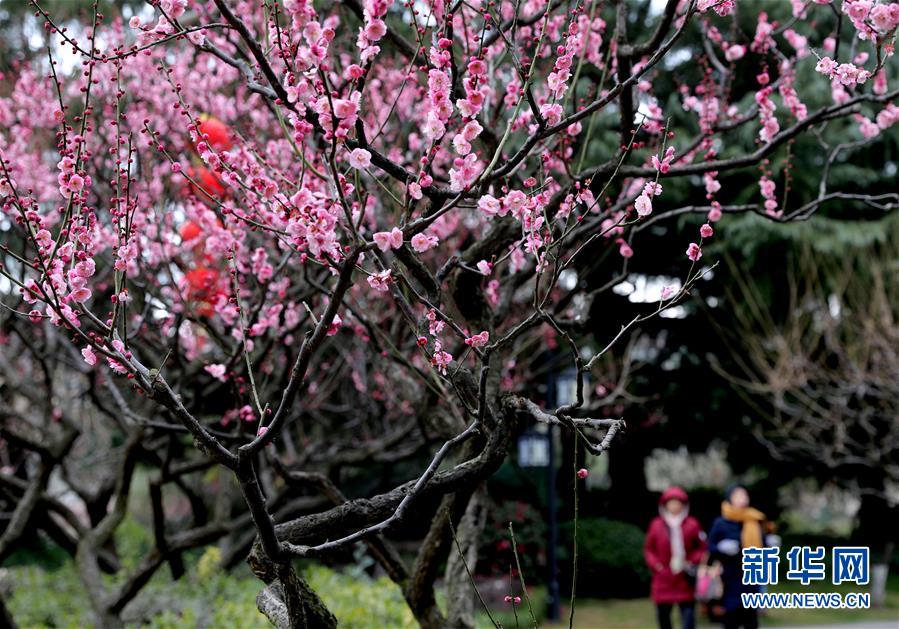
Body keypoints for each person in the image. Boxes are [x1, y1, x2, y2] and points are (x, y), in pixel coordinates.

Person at [708, 484, 779, 629]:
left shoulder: (754, 519)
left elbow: (762, 548)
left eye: (745, 495)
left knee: (750, 618)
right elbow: (710, 547)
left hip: (751, 576)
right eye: (738, 496)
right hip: (729, 577)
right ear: (729, 499)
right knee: (731, 617)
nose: (743, 499)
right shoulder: (721, 523)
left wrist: (771, 544)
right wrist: (721, 547)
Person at [644, 486, 707, 629]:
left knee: (688, 616)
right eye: (671, 503)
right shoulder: (656, 525)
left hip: (684, 576)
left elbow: (702, 548)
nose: (674, 506)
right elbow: (649, 549)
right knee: (663, 615)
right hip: (664, 576)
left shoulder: (692, 524)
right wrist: (656, 565)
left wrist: (691, 561)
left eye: (678, 502)